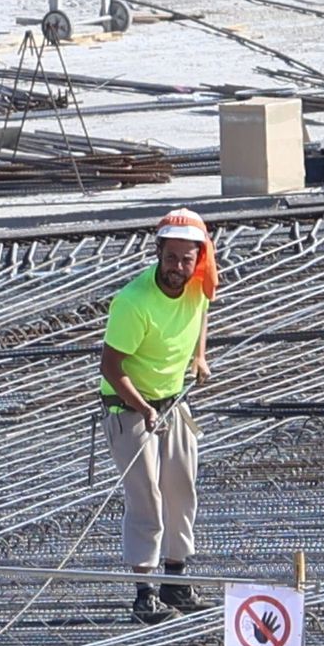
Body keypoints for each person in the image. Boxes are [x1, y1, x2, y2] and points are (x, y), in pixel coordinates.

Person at [99, 208, 219, 625]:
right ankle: (145, 593)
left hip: (172, 402)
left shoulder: (196, 286)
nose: (178, 268)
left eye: (187, 260)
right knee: (146, 495)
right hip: (128, 405)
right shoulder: (133, 302)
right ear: (158, 253)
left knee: (180, 489)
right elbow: (111, 369)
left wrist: (199, 356)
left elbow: (202, 311)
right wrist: (144, 409)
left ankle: (176, 581)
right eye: (171, 258)